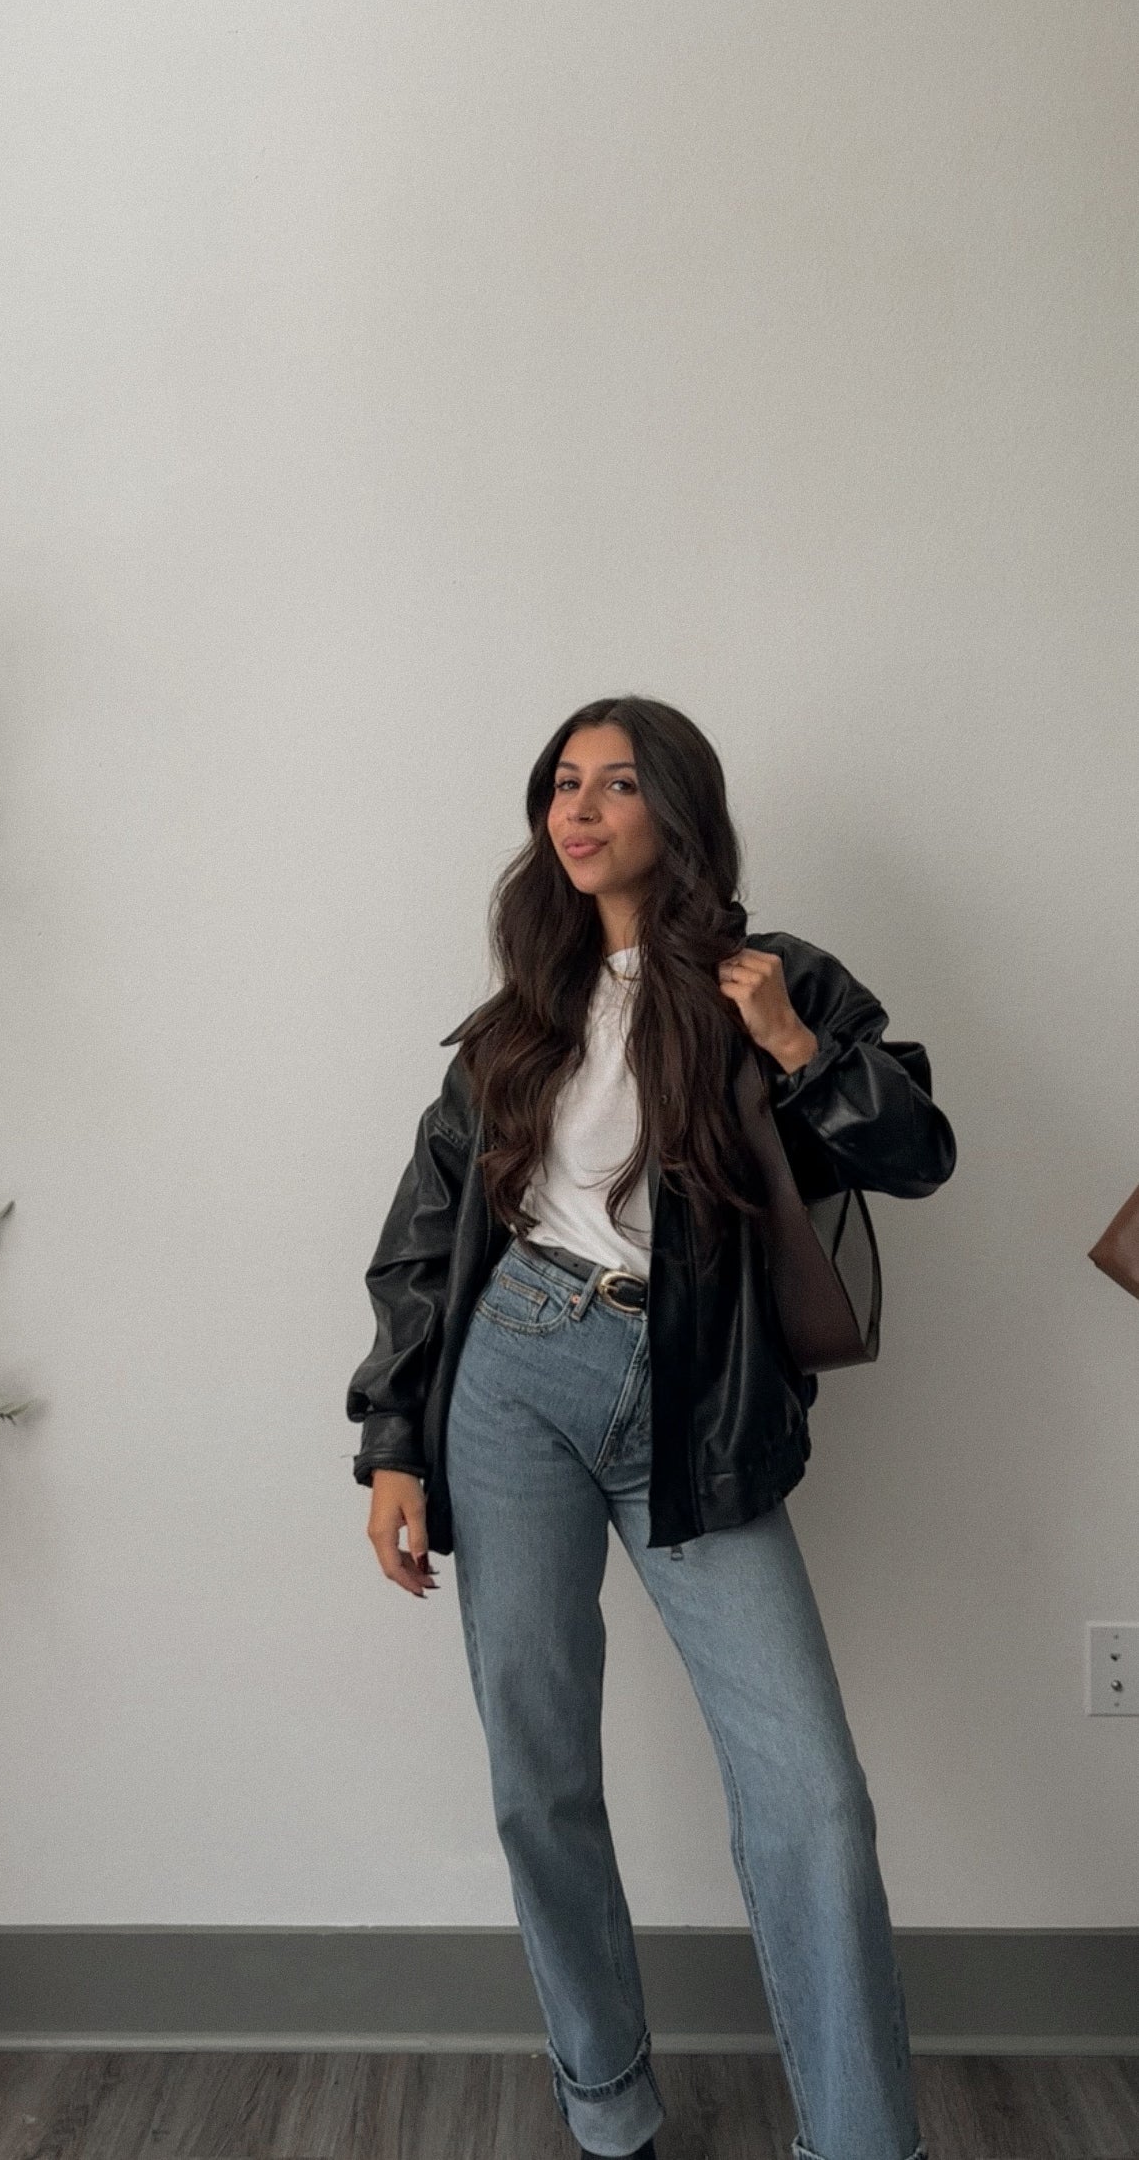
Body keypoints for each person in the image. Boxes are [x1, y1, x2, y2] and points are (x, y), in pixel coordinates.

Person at [346, 694, 956, 2160]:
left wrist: (793, 1041)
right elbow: (427, 1233)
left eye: (616, 783)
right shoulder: (520, 1016)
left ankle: (862, 2142)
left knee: (811, 1797)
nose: (579, 808)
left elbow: (918, 1152)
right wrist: (393, 1440)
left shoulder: (772, 978)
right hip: (508, 1379)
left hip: (689, 1397)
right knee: (539, 1771)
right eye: (563, 782)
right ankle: (609, 2110)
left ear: (676, 811)